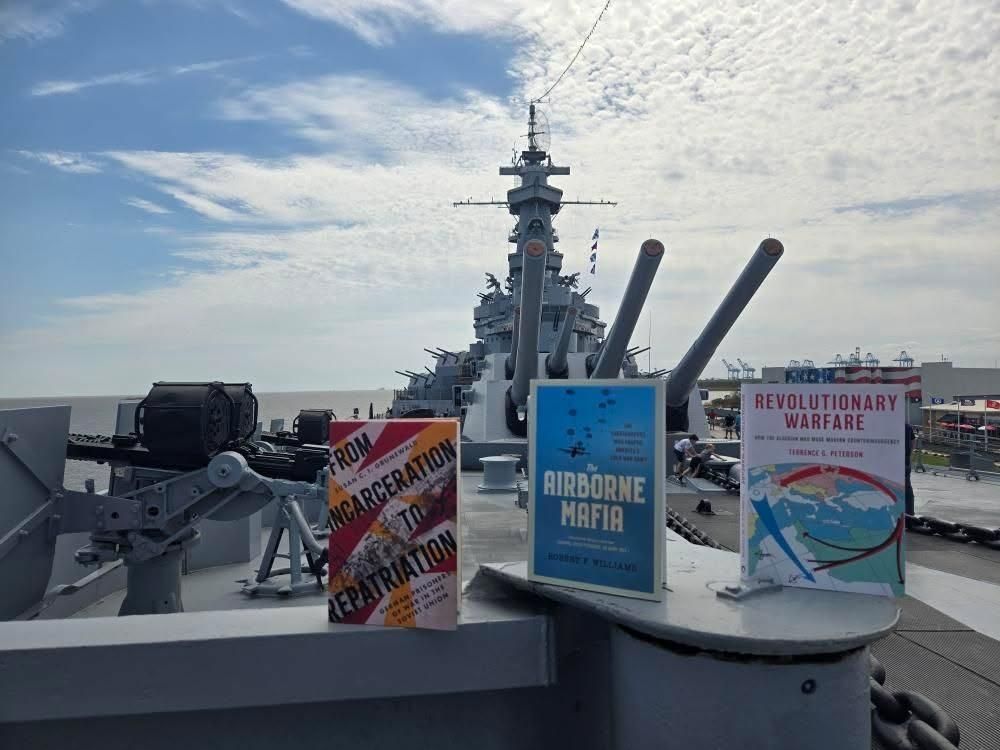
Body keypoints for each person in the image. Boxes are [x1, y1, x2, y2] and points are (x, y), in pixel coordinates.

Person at [904, 422, 915, 517]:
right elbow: (912, 442)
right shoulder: (907, 426)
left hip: (896, 461)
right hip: (905, 461)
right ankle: (910, 512)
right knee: (907, 488)